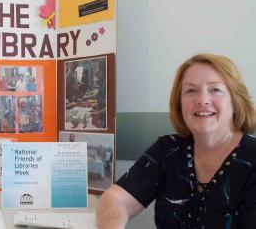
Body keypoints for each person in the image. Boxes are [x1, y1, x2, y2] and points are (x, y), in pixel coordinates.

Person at [96, 54, 256, 229]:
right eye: (190, 90)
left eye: (215, 89)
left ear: (235, 100)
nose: (202, 100)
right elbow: (115, 199)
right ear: (179, 103)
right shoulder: (168, 150)